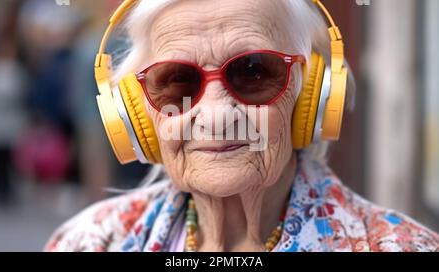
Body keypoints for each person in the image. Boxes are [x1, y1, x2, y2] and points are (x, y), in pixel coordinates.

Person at [45, 0, 438, 252]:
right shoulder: (88, 242)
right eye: (177, 81)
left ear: (312, 96)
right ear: (135, 111)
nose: (216, 116)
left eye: (253, 73)